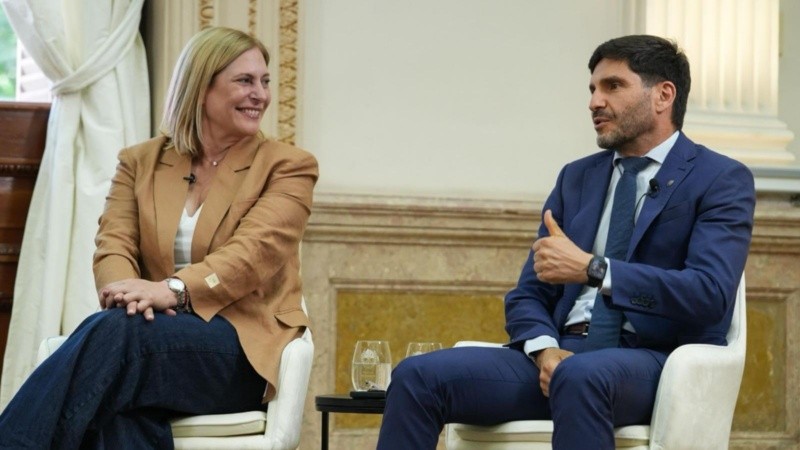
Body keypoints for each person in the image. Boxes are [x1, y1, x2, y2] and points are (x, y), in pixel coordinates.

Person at [376, 34, 755, 450]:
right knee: (417, 376)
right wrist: (545, 351)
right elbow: (528, 294)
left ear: (663, 95)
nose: (594, 102)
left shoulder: (719, 178)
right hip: (563, 355)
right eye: (592, 89)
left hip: (653, 361)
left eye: (613, 86)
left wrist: (595, 270)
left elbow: (709, 294)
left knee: (580, 377)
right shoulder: (577, 178)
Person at [0, 26, 318, 448]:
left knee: (118, 337)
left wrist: (171, 291)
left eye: (264, 81)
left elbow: (252, 256)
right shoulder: (141, 162)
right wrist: (127, 295)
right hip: (149, 338)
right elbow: (113, 244)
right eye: (244, 80)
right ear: (200, 88)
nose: (260, 94)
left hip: (240, 349)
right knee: (116, 415)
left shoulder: (288, 166)